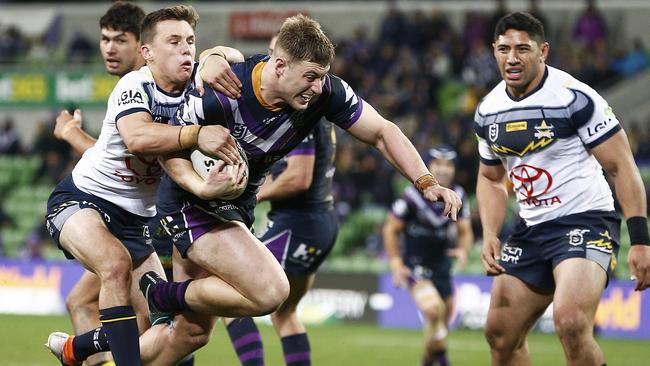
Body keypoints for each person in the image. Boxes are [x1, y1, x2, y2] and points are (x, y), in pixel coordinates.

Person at [119, 14, 462, 366]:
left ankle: (94, 352)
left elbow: (381, 132)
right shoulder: (220, 92)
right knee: (271, 291)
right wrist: (201, 187)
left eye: (322, 77)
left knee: (191, 335)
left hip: (236, 206)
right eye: (310, 76)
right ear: (279, 66)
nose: (317, 87)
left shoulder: (324, 94)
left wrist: (426, 181)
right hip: (188, 203)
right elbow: (168, 151)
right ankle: (162, 294)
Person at [44, 5, 245, 365]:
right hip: (82, 201)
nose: (186, 49)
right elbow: (138, 139)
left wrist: (217, 54)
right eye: (174, 41)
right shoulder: (134, 84)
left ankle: (79, 349)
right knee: (114, 265)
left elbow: (238, 58)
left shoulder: (197, 86)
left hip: (136, 222)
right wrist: (199, 133)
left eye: (190, 41)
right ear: (147, 52)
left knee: (181, 329)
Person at [475, 12, 650, 366]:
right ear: (493, 50)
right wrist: (491, 232)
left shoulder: (575, 98)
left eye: (523, 49)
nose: (512, 58)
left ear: (543, 51)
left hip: (586, 221)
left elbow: (622, 166)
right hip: (531, 228)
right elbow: (491, 178)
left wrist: (641, 240)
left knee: (570, 323)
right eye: (504, 48)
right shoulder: (488, 111)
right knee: (499, 333)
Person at [53, 4, 146, 365]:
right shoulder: (130, 87)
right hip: (126, 213)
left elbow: (130, 157)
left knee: (164, 323)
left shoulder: (139, 88)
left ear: (143, 45)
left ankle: (77, 350)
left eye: (120, 40)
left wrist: (71, 132)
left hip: (150, 219)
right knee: (86, 300)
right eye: (105, 39)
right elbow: (118, 159)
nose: (109, 48)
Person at [383, 145, 473, 366]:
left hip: (442, 265)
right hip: (415, 264)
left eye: (448, 165)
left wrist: (463, 250)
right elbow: (390, 229)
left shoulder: (458, 196)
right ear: (428, 166)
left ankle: (430, 358)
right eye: (437, 164)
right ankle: (441, 361)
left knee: (443, 319)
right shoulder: (412, 196)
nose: (442, 169)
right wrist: (395, 262)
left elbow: (465, 231)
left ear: (454, 169)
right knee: (433, 311)